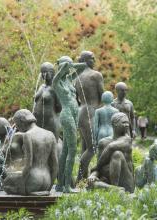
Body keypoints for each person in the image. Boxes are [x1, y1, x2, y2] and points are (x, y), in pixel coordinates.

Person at [3, 109, 58, 196]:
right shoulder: (50, 134)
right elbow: (55, 164)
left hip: (33, 180)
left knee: (6, 184)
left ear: (22, 121)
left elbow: (28, 165)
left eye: (17, 124)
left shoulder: (28, 135)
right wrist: (49, 187)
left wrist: (21, 185)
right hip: (46, 181)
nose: (17, 128)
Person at [52, 56, 86, 193]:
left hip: (74, 115)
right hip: (66, 116)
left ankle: (60, 184)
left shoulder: (69, 80)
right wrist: (64, 64)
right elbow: (60, 72)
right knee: (72, 150)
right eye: (66, 65)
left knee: (66, 151)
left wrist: (71, 64)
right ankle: (67, 186)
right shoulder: (57, 81)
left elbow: (83, 66)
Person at [75, 51, 104, 182]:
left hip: (80, 112)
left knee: (85, 147)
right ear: (86, 60)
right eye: (92, 58)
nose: (94, 61)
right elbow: (102, 96)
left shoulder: (76, 77)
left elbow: (75, 99)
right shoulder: (96, 75)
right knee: (93, 147)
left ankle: (82, 180)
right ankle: (80, 177)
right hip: (92, 112)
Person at [88, 112, 134, 193]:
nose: (127, 125)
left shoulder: (127, 140)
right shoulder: (103, 142)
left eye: (127, 122)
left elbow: (111, 147)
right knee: (90, 183)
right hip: (107, 180)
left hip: (126, 183)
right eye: (124, 122)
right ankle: (113, 189)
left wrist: (95, 168)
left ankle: (113, 188)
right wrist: (93, 175)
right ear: (115, 124)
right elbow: (100, 167)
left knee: (117, 154)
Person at [33, 62, 62, 141]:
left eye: (45, 72)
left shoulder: (55, 87)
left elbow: (60, 107)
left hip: (50, 123)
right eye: (42, 72)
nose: (43, 74)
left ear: (52, 73)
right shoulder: (41, 86)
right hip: (37, 123)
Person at [93, 91, 119, 160]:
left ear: (102, 99)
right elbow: (117, 125)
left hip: (102, 131)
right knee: (111, 153)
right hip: (112, 132)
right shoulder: (116, 111)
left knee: (100, 153)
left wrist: (95, 139)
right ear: (112, 99)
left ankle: (99, 169)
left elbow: (95, 126)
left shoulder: (98, 111)